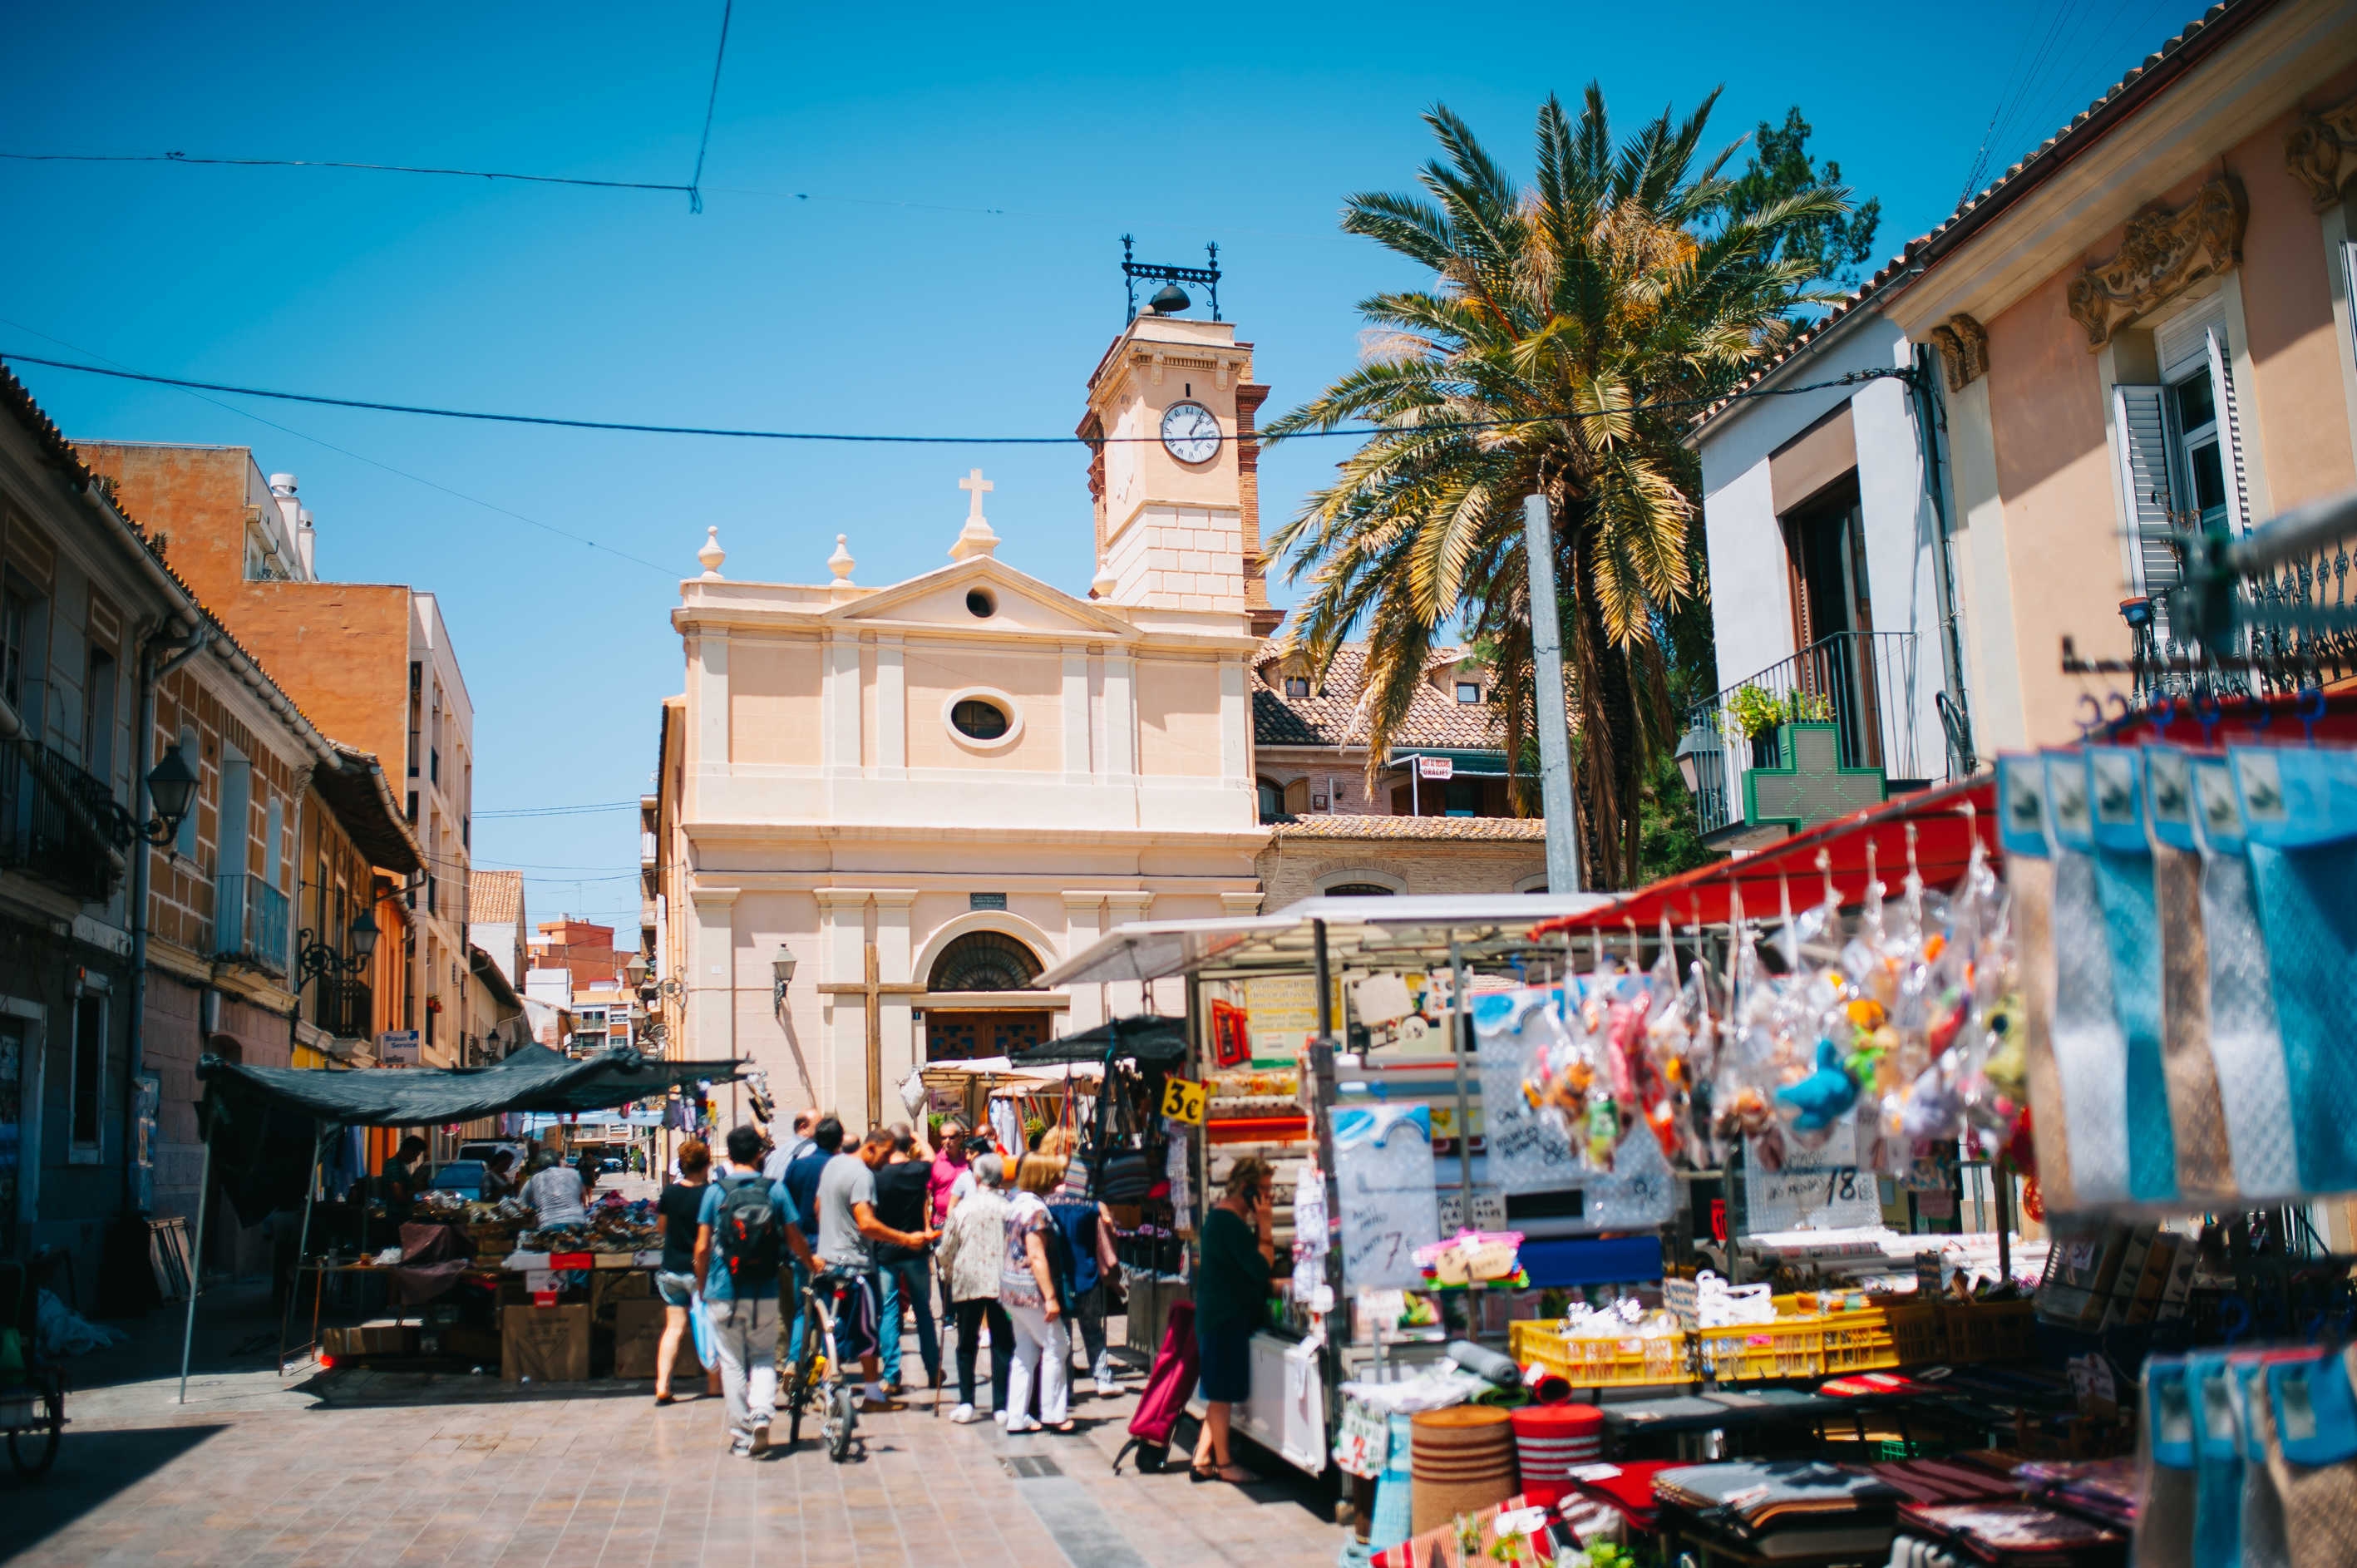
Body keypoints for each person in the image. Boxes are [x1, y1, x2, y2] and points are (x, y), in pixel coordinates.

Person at [693, 1124, 818, 1457]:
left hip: (723, 1288)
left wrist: (703, 1285)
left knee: (732, 1362)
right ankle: (762, 1413)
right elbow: (794, 1238)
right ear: (759, 1154)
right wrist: (811, 1262)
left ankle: (743, 1434)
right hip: (764, 1286)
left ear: (729, 1155)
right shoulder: (775, 1190)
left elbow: (702, 1247)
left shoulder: (714, 1193)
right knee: (763, 1355)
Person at [813, 1126, 937, 1408]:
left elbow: (818, 1207)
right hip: (855, 1265)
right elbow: (867, 1223)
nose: (885, 1161)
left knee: (831, 1328)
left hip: (829, 1260)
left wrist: (833, 1234)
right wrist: (907, 1238)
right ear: (870, 1147)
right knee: (867, 1329)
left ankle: (826, 1389)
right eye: (884, 1154)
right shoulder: (863, 1175)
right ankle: (873, 1394)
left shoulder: (833, 1164)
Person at [1191, 1156, 1276, 1483]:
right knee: (1222, 1395)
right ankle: (1224, 1464)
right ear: (1247, 1188)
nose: (1268, 1198)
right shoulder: (1230, 1223)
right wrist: (1266, 1227)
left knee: (1218, 1392)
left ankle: (1201, 1457)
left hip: (1219, 1316)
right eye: (1264, 1191)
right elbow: (1260, 1267)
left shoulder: (1222, 1218)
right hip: (1223, 1319)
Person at [1040, 1127, 1123, 1398]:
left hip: (1057, 1278)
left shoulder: (1044, 1205)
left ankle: (1067, 1387)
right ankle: (1103, 1379)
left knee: (1062, 1335)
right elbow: (1107, 1227)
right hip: (1087, 1274)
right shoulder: (1088, 1205)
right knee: (1093, 1329)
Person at [936, 1151, 1013, 1424]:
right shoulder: (1009, 1208)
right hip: (1002, 1283)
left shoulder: (962, 1209)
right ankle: (1001, 1406)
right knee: (1003, 1343)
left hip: (968, 1280)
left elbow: (946, 1249)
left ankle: (967, 1402)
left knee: (966, 1343)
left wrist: (946, 1272)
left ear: (977, 1177)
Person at [1001, 1152, 1075, 1434]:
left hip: (1010, 1288)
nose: (1059, 1179)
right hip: (1030, 1290)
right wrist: (1051, 1297)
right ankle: (1054, 1413)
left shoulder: (1016, 1203)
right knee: (1058, 1344)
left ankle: (1017, 1415)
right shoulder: (1036, 1211)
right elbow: (1037, 1255)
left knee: (1025, 1350)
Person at [873, 1125, 942, 1393]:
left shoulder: (877, 1174)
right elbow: (931, 1157)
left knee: (889, 1310)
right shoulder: (917, 1170)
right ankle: (933, 1368)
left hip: (886, 1249)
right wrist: (918, 1137)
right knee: (923, 1310)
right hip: (915, 1250)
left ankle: (891, 1374)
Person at [651, 1137, 712, 1405]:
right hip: (700, 1272)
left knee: (673, 1328)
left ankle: (663, 1384)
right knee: (709, 1327)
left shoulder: (669, 1193)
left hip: (671, 1270)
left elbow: (661, 1228)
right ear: (706, 1165)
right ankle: (714, 1383)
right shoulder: (710, 1193)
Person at [779, 1115, 843, 1367]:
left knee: (801, 1310)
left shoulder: (797, 1166)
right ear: (839, 1141)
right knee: (829, 1312)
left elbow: (787, 1206)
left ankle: (794, 1361)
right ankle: (826, 1366)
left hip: (802, 1247)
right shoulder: (840, 1167)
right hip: (831, 1248)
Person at [522, 1151, 589, 1226]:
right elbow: (582, 1196)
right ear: (558, 1162)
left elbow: (522, 1205)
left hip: (548, 1223)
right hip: (578, 1220)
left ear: (539, 1165)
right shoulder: (574, 1173)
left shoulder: (534, 1179)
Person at [929, 1122, 972, 1226]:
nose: (947, 1141)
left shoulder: (969, 1160)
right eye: (943, 1138)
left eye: (951, 1137)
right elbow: (926, 1195)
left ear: (960, 1138)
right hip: (942, 1223)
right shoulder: (934, 1162)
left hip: (967, 1222)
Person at [764, 1109, 818, 1183]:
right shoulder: (811, 1150)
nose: (824, 1129)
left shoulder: (774, 1154)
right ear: (803, 1127)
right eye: (819, 1126)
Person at [379, 1135, 428, 1209]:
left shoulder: (401, 1166)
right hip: (397, 1216)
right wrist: (416, 1189)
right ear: (408, 1150)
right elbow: (399, 1196)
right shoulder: (394, 1166)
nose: (415, 1159)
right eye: (415, 1155)